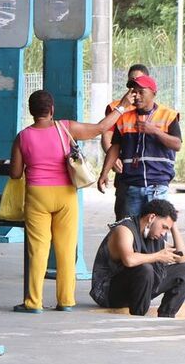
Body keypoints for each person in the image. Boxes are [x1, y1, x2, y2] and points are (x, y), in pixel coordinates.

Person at [11, 88, 134, 313]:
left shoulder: (23, 137)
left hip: (37, 195)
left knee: (38, 250)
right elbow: (101, 128)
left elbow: (16, 173)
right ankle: (66, 301)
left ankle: (33, 303)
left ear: (31, 111)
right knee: (66, 249)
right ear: (52, 110)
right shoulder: (65, 128)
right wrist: (122, 105)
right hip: (66, 194)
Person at [99, 74, 183, 220]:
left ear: (153, 93)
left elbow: (177, 144)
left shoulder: (168, 116)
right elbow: (114, 148)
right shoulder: (124, 117)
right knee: (131, 232)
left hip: (158, 185)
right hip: (133, 186)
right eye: (134, 92)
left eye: (141, 92)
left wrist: (154, 131)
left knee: (155, 233)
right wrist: (104, 173)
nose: (136, 96)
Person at [91, 199, 185, 317]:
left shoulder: (154, 236)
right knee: (145, 269)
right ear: (151, 218)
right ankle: (139, 317)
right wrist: (158, 256)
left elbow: (182, 258)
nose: (163, 233)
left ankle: (166, 317)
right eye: (164, 227)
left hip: (139, 287)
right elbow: (129, 260)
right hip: (109, 293)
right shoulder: (124, 229)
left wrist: (173, 226)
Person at [101, 64, 150, 220]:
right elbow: (107, 136)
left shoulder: (156, 110)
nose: (135, 88)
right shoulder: (115, 107)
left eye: (140, 82)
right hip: (126, 175)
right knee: (124, 221)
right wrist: (112, 161)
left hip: (150, 176)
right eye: (132, 82)